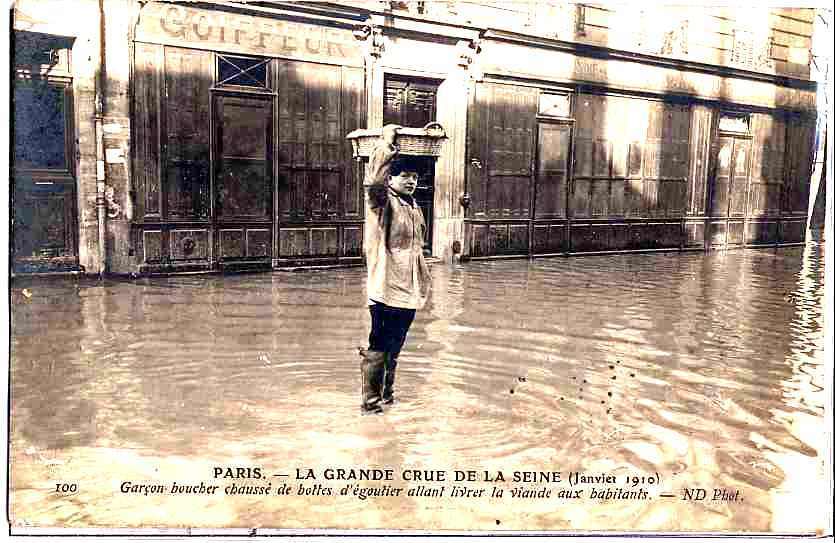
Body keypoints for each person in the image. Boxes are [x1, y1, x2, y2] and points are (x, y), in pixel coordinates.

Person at [358, 124, 431, 414]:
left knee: (396, 347)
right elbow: (373, 181)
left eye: (414, 176)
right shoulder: (382, 202)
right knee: (379, 343)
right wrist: (387, 143)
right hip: (385, 287)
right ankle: (370, 405)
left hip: (409, 289)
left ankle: (387, 398)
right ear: (391, 177)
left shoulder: (414, 207)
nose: (411, 181)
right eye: (404, 175)